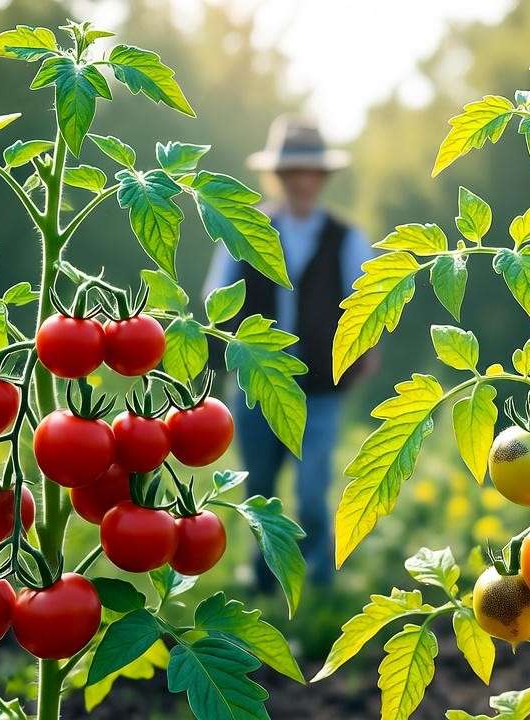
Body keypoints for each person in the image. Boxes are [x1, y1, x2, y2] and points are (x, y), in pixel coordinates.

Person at [204, 116, 374, 587]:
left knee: (311, 488)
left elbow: (369, 305)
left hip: (320, 386)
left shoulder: (345, 236)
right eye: (293, 171)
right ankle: (261, 577)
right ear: (278, 176)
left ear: (321, 179)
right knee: (258, 486)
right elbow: (217, 297)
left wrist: (364, 354)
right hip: (256, 384)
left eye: (310, 172)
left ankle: (317, 580)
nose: (302, 181)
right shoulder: (247, 229)